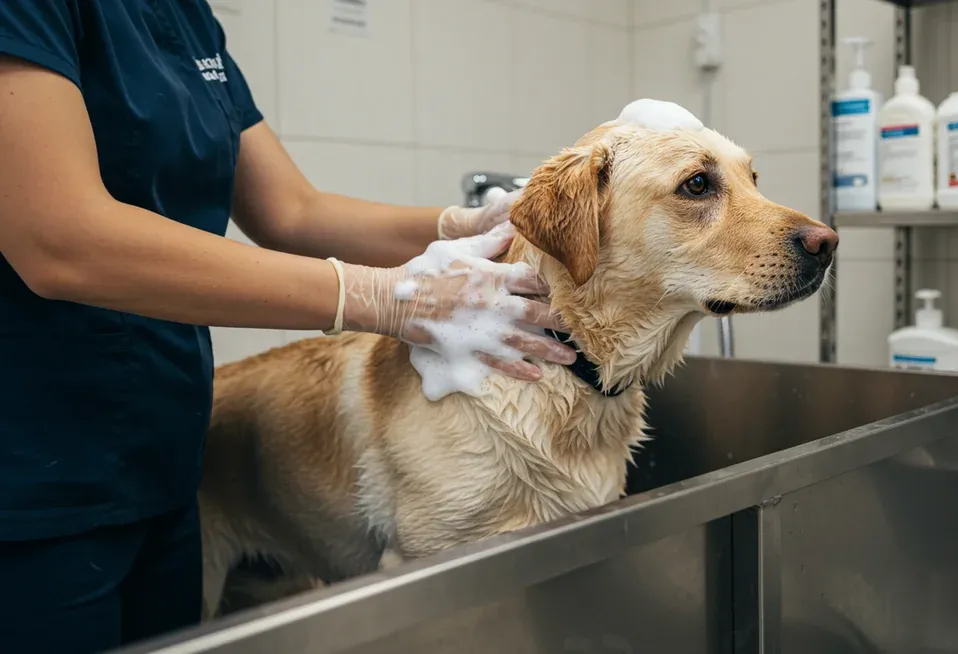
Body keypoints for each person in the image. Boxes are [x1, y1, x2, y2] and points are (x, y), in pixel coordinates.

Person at [0, 1, 577, 650]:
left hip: (168, 452)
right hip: (36, 477)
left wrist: (458, 223)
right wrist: (379, 297)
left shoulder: (185, 16)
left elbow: (292, 211)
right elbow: (59, 239)